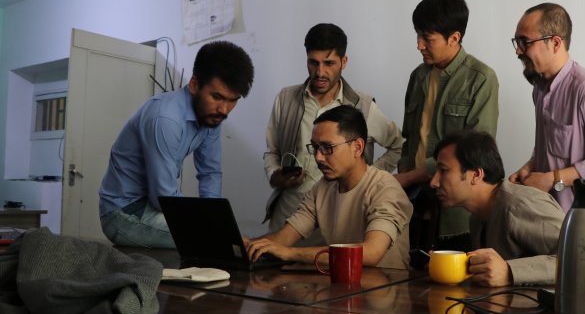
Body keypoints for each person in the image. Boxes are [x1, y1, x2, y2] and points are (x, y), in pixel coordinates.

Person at [99, 40, 254, 248]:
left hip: (153, 207)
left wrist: (213, 221)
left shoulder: (212, 117)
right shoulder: (165, 118)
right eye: (217, 97)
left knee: (222, 238)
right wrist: (217, 232)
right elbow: (163, 197)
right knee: (221, 243)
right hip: (122, 212)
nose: (224, 110)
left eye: (232, 100)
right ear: (194, 84)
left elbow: (210, 173)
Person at [263, 23, 403, 244]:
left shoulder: (363, 106)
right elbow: (272, 151)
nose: (320, 72)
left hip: (337, 221)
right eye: (313, 63)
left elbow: (399, 146)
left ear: (343, 62)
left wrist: (365, 176)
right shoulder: (285, 98)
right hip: (289, 216)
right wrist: (275, 175)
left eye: (329, 63)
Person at [395, 0, 499, 251]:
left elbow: (476, 152)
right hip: (411, 205)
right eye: (417, 35)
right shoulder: (417, 77)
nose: (419, 45)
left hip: (456, 213)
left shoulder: (481, 79)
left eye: (427, 39)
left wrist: (411, 177)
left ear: (454, 38)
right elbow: (408, 139)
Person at [247, 105, 412, 270]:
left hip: (387, 290)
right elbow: (283, 239)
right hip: (341, 288)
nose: (318, 157)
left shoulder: (385, 189)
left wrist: (290, 253)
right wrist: (247, 244)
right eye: (315, 148)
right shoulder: (322, 188)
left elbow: (370, 253)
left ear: (357, 147)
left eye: (327, 148)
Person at [508, 3, 585, 212]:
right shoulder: (539, 89)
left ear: (555, 43)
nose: (518, 50)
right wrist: (530, 167)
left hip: (581, 224)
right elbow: (553, 149)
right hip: (546, 216)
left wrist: (554, 179)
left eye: (525, 41)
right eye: (516, 41)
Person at [430, 130, 564, 286]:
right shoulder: (477, 216)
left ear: (476, 175)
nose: (433, 182)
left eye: (444, 170)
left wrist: (509, 271)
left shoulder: (521, 204)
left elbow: (579, 259)